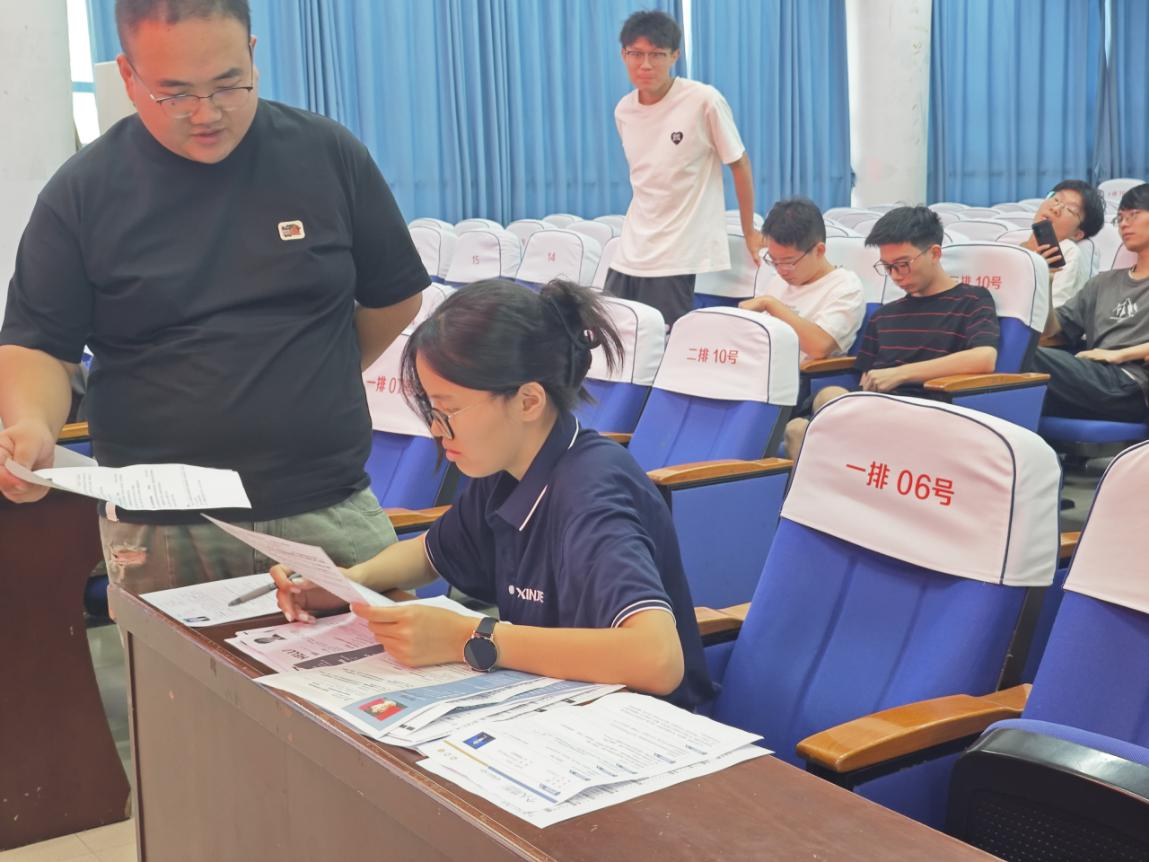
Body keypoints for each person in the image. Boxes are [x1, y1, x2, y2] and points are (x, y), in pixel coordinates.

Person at [0, 0, 427, 595]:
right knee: (174, 660)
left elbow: (394, 296)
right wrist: (31, 423)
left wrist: (318, 370)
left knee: (377, 655)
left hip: (326, 503)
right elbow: (39, 344)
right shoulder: (82, 193)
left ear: (252, 54)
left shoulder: (326, 155)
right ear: (128, 76)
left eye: (228, 85)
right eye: (175, 94)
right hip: (163, 528)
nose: (206, 114)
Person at [273, 280, 715, 709]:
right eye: (431, 409)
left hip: (636, 724)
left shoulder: (591, 491)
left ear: (527, 401)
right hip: (552, 701)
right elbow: (431, 553)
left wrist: (468, 637)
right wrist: (350, 582)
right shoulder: (508, 465)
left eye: (449, 410)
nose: (435, 429)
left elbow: (658, 660)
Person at [784, 207, 999, 456]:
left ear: (934, 254)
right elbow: (866, 380)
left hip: (929, 411)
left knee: (821, 418)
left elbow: (984, 358)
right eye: (887, 267)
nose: (896, 276)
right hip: (876, 411)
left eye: (903, 264)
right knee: (800, 425)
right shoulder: (885, 316)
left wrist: (901, 374)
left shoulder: (972, 300)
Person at [604, 10, 762, 327]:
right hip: (632, 248)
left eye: (656, 55)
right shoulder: (624, 110)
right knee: (613, 334)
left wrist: (749, 231)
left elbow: (739, 163)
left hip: (677, 252)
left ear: (675, 55)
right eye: (636, 54)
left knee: (663, 340)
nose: (645, 64)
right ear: (623, 54)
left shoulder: (704, 100)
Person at [1033, 183, 1149, 422]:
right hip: (1094, 379)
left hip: (1133, 384)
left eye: (1134, 215)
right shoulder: (1103, 283)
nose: (1124, 224)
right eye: (1120, 218)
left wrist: (1119, 355)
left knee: (1017, 355)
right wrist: (1045, 281)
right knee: (1014, 358)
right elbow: (1052, 331)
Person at [739, 198, 865, 362]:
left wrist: (771, 304)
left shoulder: (846, 287)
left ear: (819, 251)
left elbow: (819, 346)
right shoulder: (778, 281)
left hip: (803, 374)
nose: (781, 270)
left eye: (789, 262)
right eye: (774, 261)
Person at [1017, 180, 1106, 308]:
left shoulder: (1065, 252)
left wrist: (1039, 275)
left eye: (1070, 210)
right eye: (1056, 199)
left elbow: (1054, 310)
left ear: (1077, 234)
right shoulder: (1012, 245)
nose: (1055, 209)